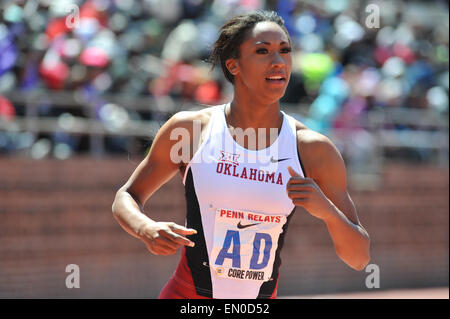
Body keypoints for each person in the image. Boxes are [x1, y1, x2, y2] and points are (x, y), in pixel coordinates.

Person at [112, 10, 370, 299]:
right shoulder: (191, 131)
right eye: (263, 51)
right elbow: (127, 195)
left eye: (285, 51)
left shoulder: (311, 148)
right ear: (234, 65)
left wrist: (327, 212)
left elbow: (359, 258)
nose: (278, 61)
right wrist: (144, 227)